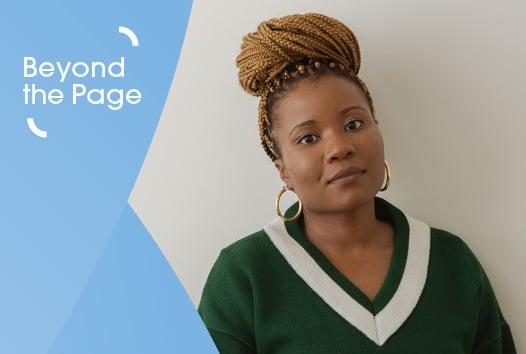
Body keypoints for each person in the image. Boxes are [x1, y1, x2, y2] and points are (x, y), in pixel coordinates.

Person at [198, 13, 516, 353]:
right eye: (307, 138)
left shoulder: (452, 262)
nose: (339, 148)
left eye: (353, 124)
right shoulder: (243, 275)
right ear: (283, 171)